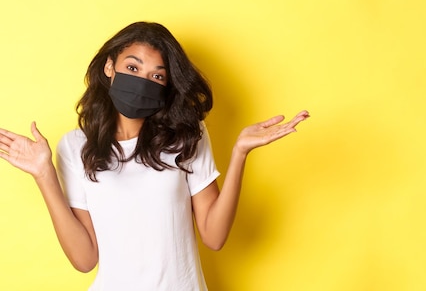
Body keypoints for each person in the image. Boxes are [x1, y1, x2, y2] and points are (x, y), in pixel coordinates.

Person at [0, 21, 309, 291]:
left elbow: (214, 237)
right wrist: (44, 174)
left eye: (156, 76)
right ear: (110, 67)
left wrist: (240, 153)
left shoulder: (187, 136)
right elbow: (84, 259)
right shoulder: (76, 146)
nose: (142, 82)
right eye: (132, 68)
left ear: (166, 85)